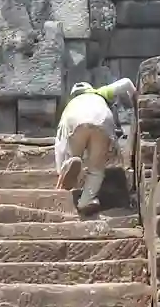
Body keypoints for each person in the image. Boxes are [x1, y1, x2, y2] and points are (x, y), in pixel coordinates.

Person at [55, 78, 137, 212]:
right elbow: (127, 82)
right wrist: (136, 96)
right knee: (96, 168)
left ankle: (70, 163)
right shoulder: (100, 93)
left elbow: (59, 144)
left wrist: (59, 170)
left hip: (74, 120)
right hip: (102, 119)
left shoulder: (70, 105)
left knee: (70, 154)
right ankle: (86, 201)